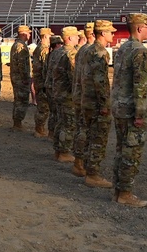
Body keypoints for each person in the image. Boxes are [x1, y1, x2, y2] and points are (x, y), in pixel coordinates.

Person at [110, 13, 147, 207]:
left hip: (119, 106)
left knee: (120, 149)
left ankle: (118, 190)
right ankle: (125, 193)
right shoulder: (140, 51)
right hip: (130, 109)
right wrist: (140, 114)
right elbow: (140, 86)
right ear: (139, 28)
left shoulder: (123, 48)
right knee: (131, 151)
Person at [78, 20, 115, 189]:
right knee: (98, 138)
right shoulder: (99, 52)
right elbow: (100, 82)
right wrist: (105, 104)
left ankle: (87, 168)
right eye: (110, 32)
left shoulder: (88, 50)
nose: (112, 35)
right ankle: (93, 174)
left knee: (89, 135)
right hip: (96, 102)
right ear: (102, 33)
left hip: (87, 99)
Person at [49, 26, 81, 166]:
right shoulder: (71, 53)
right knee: (69, 124)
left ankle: (58, 150)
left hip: (57, 92)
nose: (78, 38)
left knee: (60, 122)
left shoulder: (57, 52)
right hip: (68, 94)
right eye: (75, 36)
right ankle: (64, 152)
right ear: (69, 38)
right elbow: (73, 77)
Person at [71, 23, 96, 171]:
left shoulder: (80, 50)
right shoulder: (92, 51)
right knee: (85, 131)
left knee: (80, 128)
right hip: (87, 97)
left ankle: (78, 160)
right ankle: (80, 162)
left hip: (79, 95)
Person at [9, 25, 32, 130]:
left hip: (15, 76)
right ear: (23, 33)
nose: (30, 35)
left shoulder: (16, 45)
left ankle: (17, 122)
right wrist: (25, 78)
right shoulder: (21, 46)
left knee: (18, 99)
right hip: (20, 78)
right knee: (22, 100)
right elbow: (22, 64)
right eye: (28, 33)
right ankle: (18, 123)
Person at [31, 27, 53, 137]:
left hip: (38, 80)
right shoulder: (44, 49)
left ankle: (39, 128)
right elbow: (45, 67)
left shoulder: (38, 48)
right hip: (42, 81)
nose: (51, 38)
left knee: (41, 106)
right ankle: (39, 129)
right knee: (44, 108)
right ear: (45, 36)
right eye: (50, 36)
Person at [44, 35, 64, 141]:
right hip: (54, 86)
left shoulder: (50, 54)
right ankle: (53, 134)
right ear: (57, 44)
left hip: (48, 85)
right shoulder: (58, 54)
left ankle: (51, 133)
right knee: (56, 113)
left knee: (52, 112)